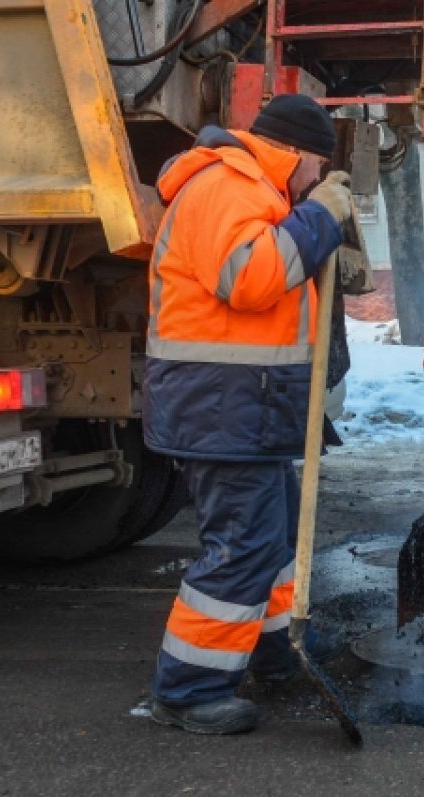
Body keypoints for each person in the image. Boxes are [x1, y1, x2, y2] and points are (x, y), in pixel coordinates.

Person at [142, 94, 353, 735]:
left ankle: (274, 651)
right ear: (298, 154)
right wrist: (319, 219)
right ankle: (188, 690)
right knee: (241, 548)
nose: (316, 182)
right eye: (316, 169)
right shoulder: (226, 186)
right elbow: (251, 279)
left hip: (242, 405)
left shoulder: (255, 190)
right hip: (222, 406)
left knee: (275, 543)